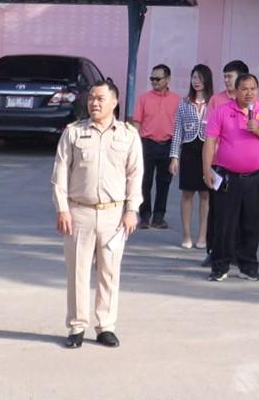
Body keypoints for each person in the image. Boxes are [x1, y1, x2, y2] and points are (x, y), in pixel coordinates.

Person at [53, 81, 144, 348]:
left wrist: (132, 210)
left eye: (101, 98)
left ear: (114, 102)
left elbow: (135, 175)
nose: (94, 103)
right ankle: (77, 326)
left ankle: (105, 325)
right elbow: (60, 173)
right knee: (78, 272)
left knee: (109, 273)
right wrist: (62, 208)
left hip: (113, 216)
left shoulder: (127, 135)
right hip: (79, 212)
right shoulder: (73, 133)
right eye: (91, 98)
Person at [203, 68, 259, 283]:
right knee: (224, 223)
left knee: (252, 222)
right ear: (235, 91)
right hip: (228, 177)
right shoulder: (221, 111)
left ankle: (248, 266)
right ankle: (220, 266)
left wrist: (258, 131)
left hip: (255, 178)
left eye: (253, 89)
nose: (249, 93)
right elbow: (210, 142)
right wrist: (206, 169)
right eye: (244, 89)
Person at [130, 65, 179, 230]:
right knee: (144, 182)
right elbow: (137, 123)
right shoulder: (143, 98)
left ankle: (159, 217)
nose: (154, 82)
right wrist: (134, 147)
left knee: (164, 182)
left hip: (168, 144)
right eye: (152, 79)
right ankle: (144, 216)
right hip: (147, 144)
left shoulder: (177, 100)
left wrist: (176, 154)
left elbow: (179, 127)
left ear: (167, 79)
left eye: (157, 79)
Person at [176, 64, 213, 249]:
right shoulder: (184, 103)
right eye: (193, 78)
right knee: (187, 194)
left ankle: (202, 236)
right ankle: (186, 234)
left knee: (206, 194)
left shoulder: (213, 103)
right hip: (189, 150)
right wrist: (174, 157)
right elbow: (177, 132)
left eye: (200, 78)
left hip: (208, 151)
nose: (196, 82)